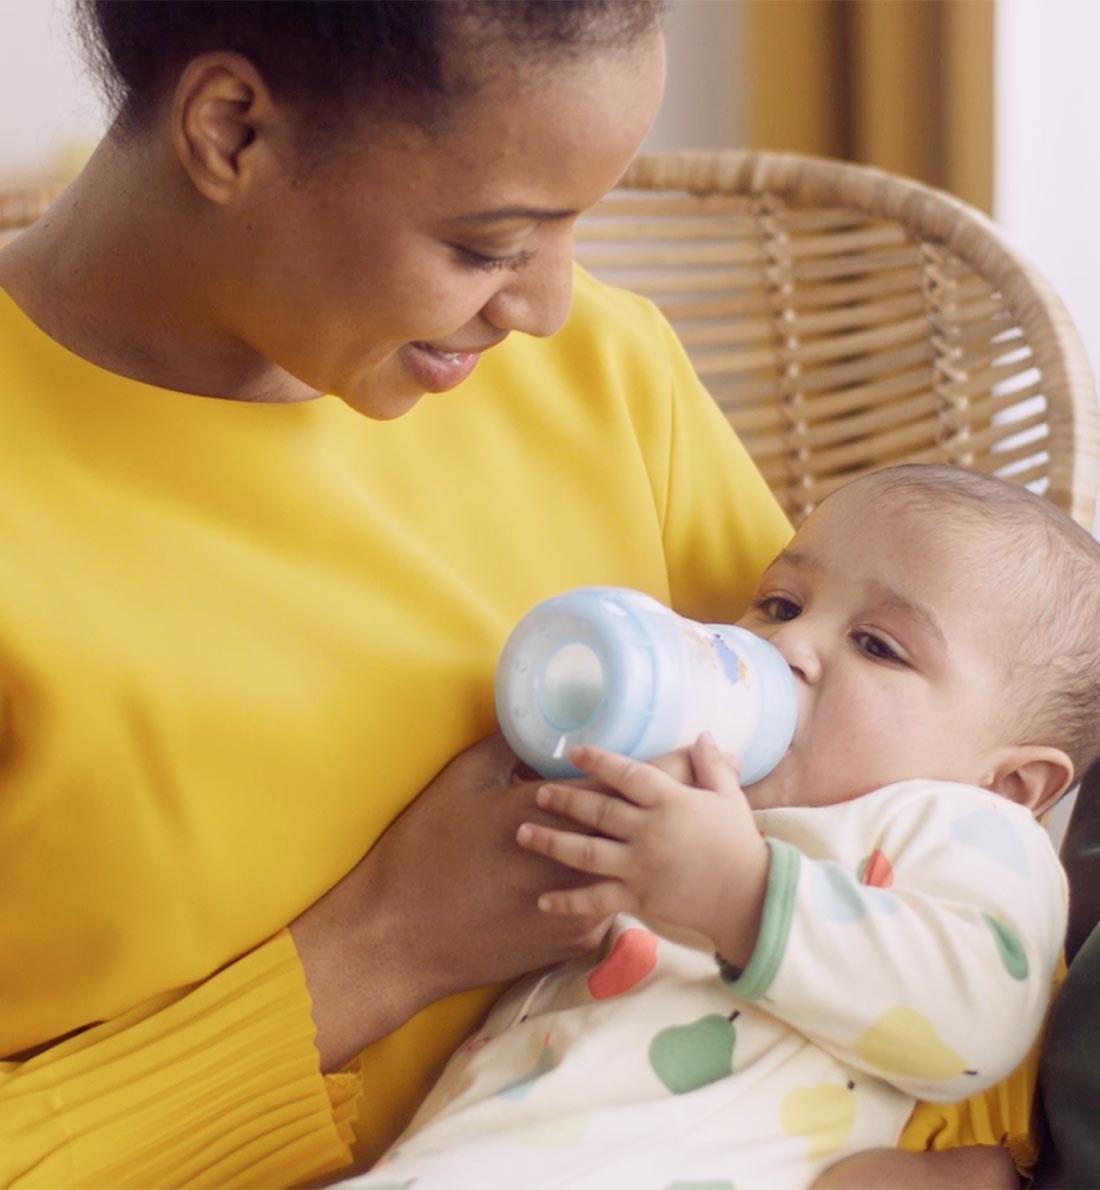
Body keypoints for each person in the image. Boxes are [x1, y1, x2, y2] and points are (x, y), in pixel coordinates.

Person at [0, 2, 1061, 1184]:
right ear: (233, 128)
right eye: (489, 244)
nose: (546, 308)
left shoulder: (605, 376)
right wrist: (384, 945)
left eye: (574, 230)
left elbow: (918, 846)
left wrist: (979, 1160)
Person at [344, 465, 1100, 1190]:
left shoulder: (959, 821)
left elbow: (977, 1018)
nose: (789, 648)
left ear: (1010, 782)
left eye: (878, 646)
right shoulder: (697, 804)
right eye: (780, 603)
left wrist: (740, 892)